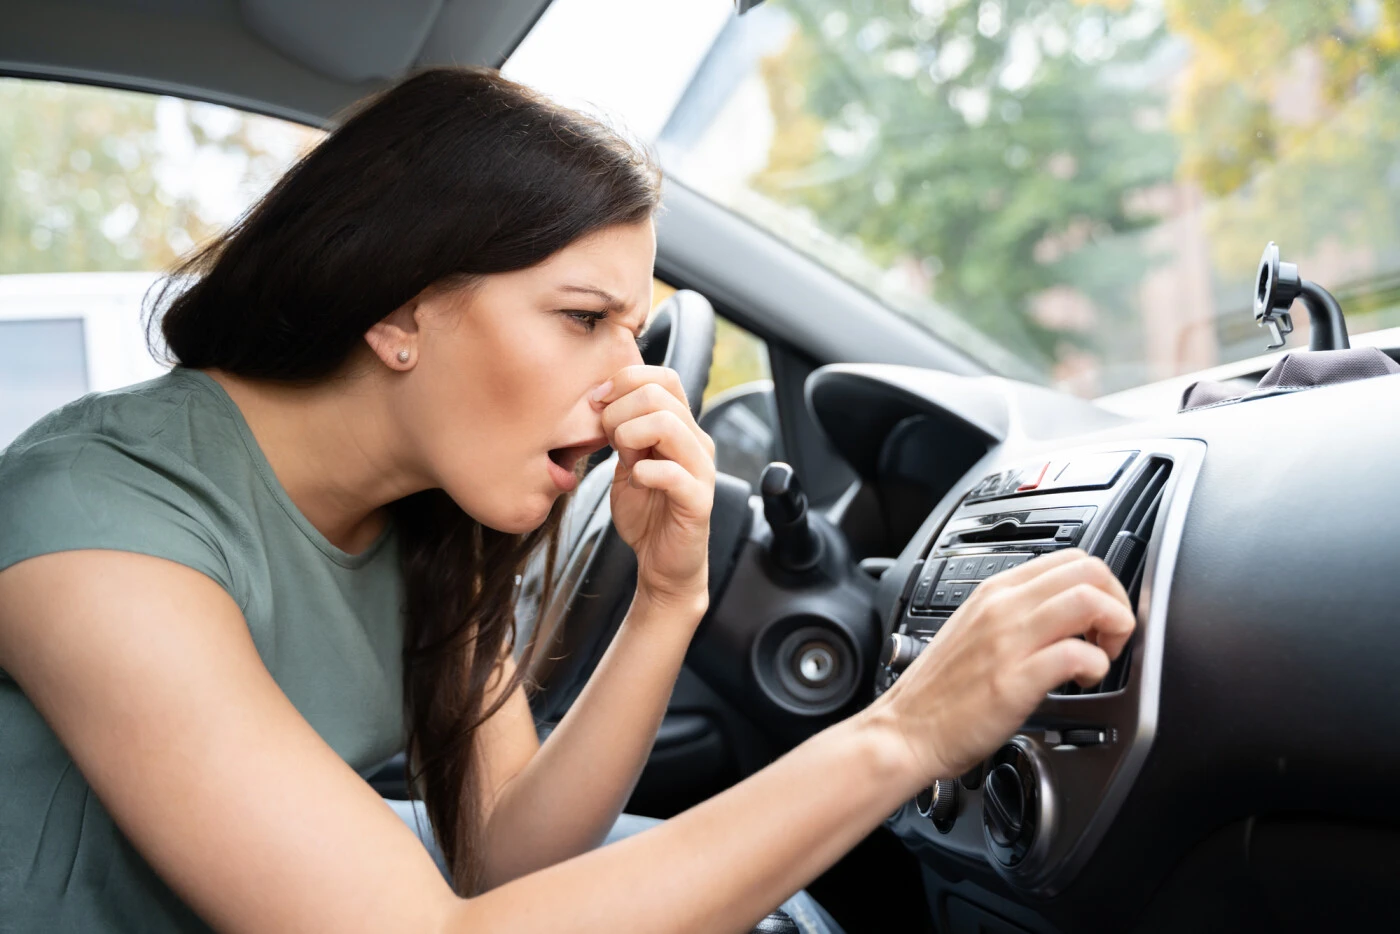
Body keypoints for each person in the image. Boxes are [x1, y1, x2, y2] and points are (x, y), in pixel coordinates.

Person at [0, 67, 1136, 934]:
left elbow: (512, 864)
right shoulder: (98, 528)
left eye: (632, 333)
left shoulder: (422, 519)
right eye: (581, 319)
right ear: (396, 312)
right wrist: (900, 734)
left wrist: (667, 597)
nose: (627, 386)